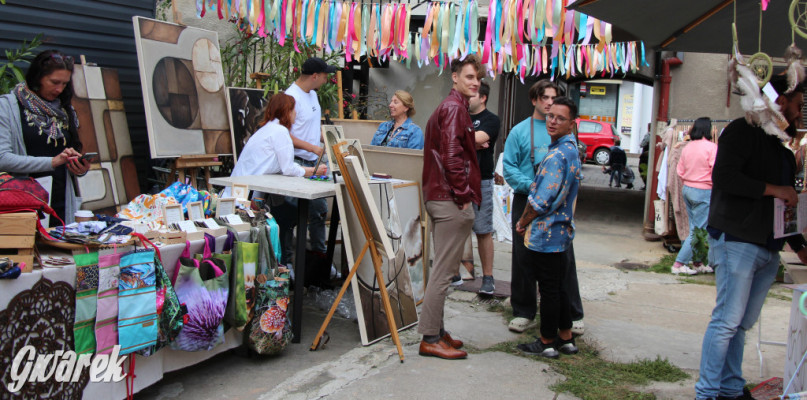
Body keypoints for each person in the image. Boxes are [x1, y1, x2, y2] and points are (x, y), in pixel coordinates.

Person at [694, 74, 807, 400]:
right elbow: (725, 177)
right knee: (727, 322)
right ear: (781, 101)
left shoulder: (781, 149)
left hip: (767, 248)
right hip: (737, 241)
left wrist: (799, 247)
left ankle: (730, 388)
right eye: (798, 106)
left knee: (740, 325)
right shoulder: (741, 131)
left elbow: (785, 207)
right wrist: (777, 189)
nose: (800, 114)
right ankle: (707, 393)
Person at [502, 80, 585, 335]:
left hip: (555, 204)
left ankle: (571, 313)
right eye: (545, 97)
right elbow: (509, 167)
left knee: (562, 260)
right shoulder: (519, 131)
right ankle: (524, 310)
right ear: (535, 100)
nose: (550, 103)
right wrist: (533, 185)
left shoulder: (564, 135)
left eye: (554, 97)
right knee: (523, 257)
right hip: (526, 198)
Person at [418, 54, 483, 360]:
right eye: (469, 76)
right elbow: (452, 156)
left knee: (442, 269)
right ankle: (430, 337)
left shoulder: (452, 107)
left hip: (440, 195)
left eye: (478, 78)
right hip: (449, 198)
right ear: (455, 77)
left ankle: (438, 331)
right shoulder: (455, 107)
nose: (475, 82)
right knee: (444, 272)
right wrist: (464, 195)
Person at [224, 94, 327, 266]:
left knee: (286, 212)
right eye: (295, 110)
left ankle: (283, 264)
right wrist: (314, 171)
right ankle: (283, 266)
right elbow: (288, 168)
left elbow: (279, 166)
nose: (296, 115)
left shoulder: (265, 130)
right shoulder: (280, 131)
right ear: (288, 111)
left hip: (239, 192)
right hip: (248, 198)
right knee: (290, 215)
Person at [0, 50, 90, 226]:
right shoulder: (7, 107)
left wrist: (79, 167)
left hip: (60, 202)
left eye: (64, 84)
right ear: (37, 78)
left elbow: (67, 156)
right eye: (54, 82)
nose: (59, 89)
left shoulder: (64, 110)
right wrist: (52, 162)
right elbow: (2, 158)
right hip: (22, 202)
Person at [285, 57, 337, 267]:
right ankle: (287, 264)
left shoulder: (313, 95)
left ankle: (320, 259)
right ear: (314, 76)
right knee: (290, 215)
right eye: (325, 75)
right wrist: (312, 147)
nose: (327, 79)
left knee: (318, 209)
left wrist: (330, 138)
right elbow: (284, 134)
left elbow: (313, 129)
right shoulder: (290, 97)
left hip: (315, 161)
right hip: (295, 161)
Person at [455, 81, 501, 295]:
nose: (466, 99)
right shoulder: (458, 116)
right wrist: (471, 141)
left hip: (481, 179)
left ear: (482, 97)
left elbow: (481, 137)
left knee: (483, 230)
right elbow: (445, 139)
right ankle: (453, 272)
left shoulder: (492, 120)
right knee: (454, 228)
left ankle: (488, 277)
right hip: (457, 178)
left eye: (471, 95)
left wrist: (461, 140)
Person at [671, 118, 716, 276]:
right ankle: (679, 264)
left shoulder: (687, 147)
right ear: (708, 130)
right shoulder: (712, 148)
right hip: (703, 190)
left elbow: (680, 171)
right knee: (698, 230)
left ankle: (697, 262)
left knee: (695, 229)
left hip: (687, 189)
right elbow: (716, 171)